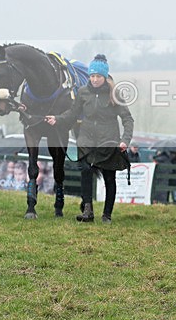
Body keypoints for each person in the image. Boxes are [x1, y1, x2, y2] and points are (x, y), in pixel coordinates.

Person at [45, 54, 134, 224]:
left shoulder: (114, 94)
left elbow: (127, 119)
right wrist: (58, 119)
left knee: (109, 177)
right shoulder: (83, 92)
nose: (94, 79)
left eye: (98, 76)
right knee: (85, 170)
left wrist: (125, 140)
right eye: (92, 76)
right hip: (86, 139)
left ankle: (107, 214)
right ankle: (88, 210)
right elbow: (72, 113)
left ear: (105, 77)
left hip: (108, 140)